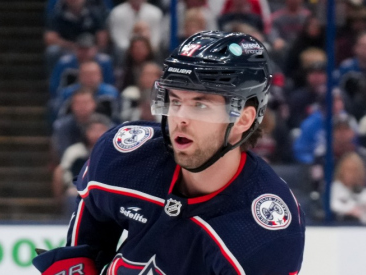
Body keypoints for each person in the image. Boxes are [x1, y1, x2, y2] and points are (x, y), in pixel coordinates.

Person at [33, 31, 305, 275]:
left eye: (200, 106)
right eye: (175, 101)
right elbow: (84, 246)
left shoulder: (264, 235)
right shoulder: (126, 157)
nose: (180, 119)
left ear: (243, 120)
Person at [331, 152, 366, 225]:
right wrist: (351, 210)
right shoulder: (333, 189)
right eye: (348, 169)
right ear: (341, 170)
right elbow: (332, 205)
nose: (351, 174)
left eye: (354, 170)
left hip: (362, 231)